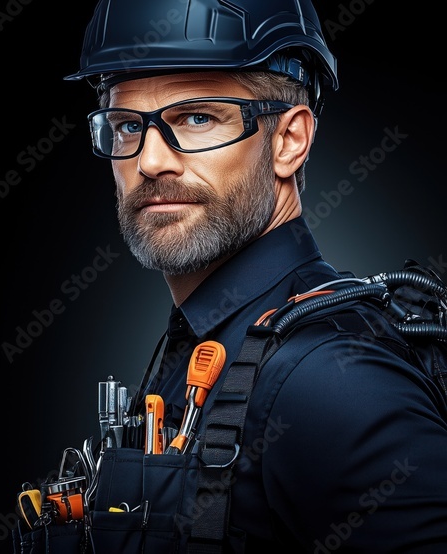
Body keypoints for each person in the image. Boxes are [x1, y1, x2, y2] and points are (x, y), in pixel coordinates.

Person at [37, 0, 447, 551]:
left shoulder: (333, 381)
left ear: (288, 141)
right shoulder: (206, 345)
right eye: (128, 125)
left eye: (198, 117)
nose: (151, 160)